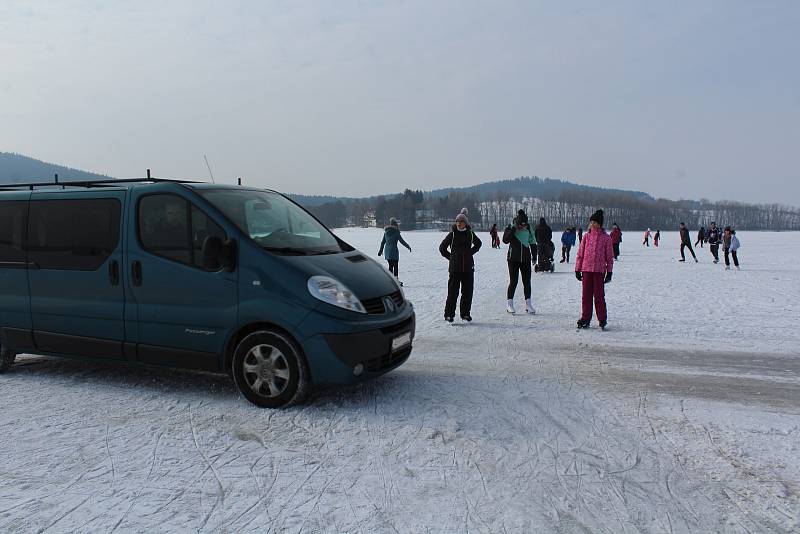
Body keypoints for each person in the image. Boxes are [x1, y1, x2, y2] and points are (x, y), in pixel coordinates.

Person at [439, 208, 482, 322]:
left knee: (467, 292)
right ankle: (449, 314)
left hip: (468, 268)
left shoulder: (470, 234)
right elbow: (442, 248)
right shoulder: (452, 235)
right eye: (457, 221)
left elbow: (479, 244)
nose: (459, 223)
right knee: (452, 292)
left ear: (465, 223)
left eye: (461, 221)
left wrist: (470, 253)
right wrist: (451, 257)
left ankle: (465, 314)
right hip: (455, 269)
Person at [575, 210, 613, 329]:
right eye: (591, 222)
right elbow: (580, 254)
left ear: (600, 224)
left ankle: (602, 319)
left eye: (595, 222)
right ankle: (585, 318)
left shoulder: (606, 238)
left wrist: (609, 272)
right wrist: (577, 269)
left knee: (599, 296)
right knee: (586, 296)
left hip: (599, 271)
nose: (593, 224)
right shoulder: (586, 236)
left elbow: (609, 257)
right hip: (586, 270)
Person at [503, 210, 536, 314]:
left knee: (527, 282)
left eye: (525, 225)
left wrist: (535, 256)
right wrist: (513, 229)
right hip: (513, 259)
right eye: (521, 225)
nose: (523, 227)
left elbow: (533, 242)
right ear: (517, 223)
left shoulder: (529, 228)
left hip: (525, 259)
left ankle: (528, 305)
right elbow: (505, 240)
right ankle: (509, 304)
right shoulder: (511, 227)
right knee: (514, 281)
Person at [378, 217, 411, 282]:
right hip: (394, 251)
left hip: (387, 251)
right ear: (395, 225)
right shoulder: (396, 232)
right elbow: (402, 241)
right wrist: (408, 246)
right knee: (395, 266)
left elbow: (382, 242)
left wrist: (380, 251)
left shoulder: (386, 232)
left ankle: (391, 280)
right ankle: (396, 280)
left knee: (390, 265)